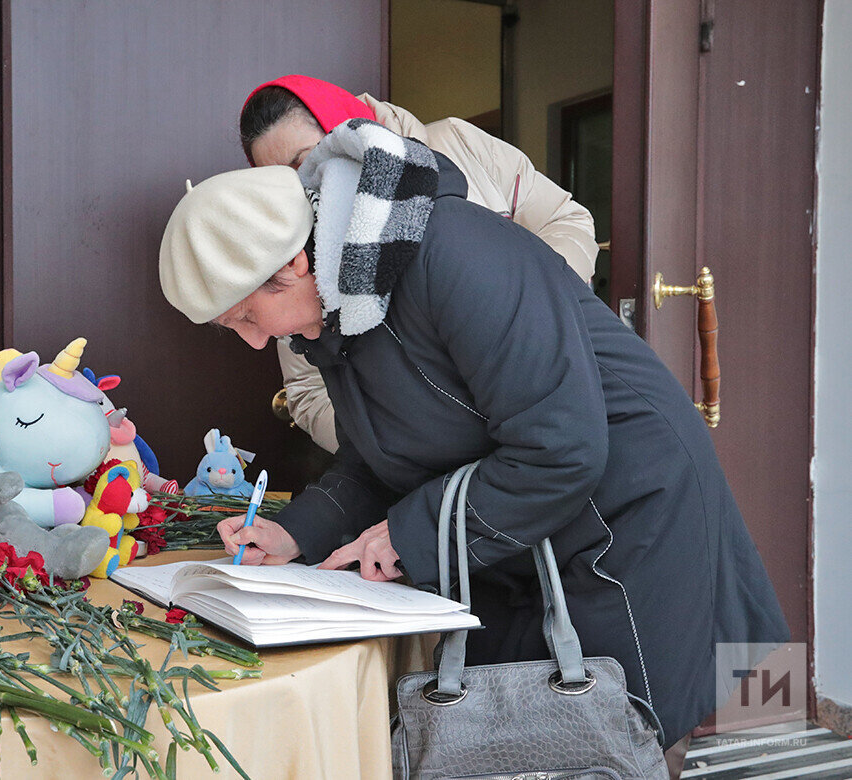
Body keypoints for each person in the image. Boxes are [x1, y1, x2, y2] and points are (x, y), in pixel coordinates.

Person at [159, 120, 789, 778]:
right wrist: (296, 533)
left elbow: (562, 449)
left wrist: (410, 532)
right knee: (522, 741)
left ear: (290, 267)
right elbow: (382, 457)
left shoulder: (454, 254)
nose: (255, 345)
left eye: (246, 321)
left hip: (624, 518)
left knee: (607, 737)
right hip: (524, 527)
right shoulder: (343, 304)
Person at [239, 74, 599, 453]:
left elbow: (565, 219)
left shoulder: (457, 145)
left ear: (345, 132)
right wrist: (402, 447)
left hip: (551, 391)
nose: (307, 185)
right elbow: (309, 391)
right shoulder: (299, 252)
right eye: (285, 181)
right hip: (446, 465)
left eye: (309, 161)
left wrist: (532, 315)